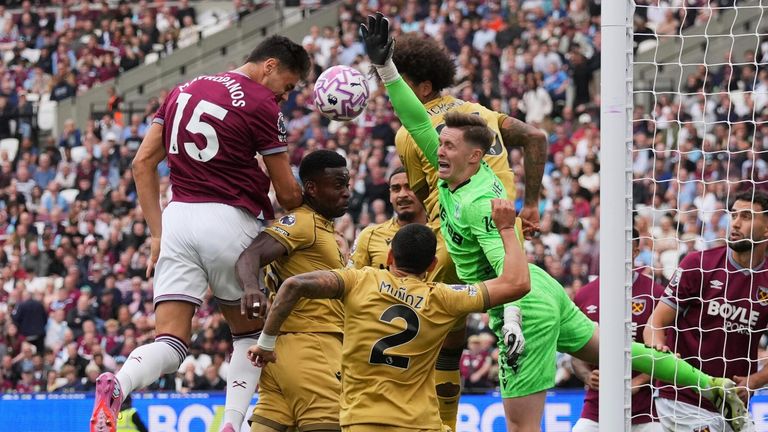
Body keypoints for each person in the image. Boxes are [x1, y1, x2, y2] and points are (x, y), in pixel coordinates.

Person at [362, 13, 747, 432]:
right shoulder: (459, 170)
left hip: (523, 302)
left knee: (522, 428)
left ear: (474, 156)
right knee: (623, 353)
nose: (437, 150)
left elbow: (512, 275)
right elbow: (417, 120)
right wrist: (386, 68)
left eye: (448, 146)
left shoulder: (479, 205)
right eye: (441, 144)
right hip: (546, 290)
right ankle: (713, 385)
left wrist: (512, 322)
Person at [89, 35, 311, 432]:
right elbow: (289, 194)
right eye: (288, 87)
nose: (284, 98)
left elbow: (142, 164)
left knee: (171, 343)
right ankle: (232, 424)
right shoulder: (260, 103)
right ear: (270, 66)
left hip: (177, 218)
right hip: (230, 220)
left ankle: (119, 384)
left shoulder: (181, 90)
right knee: (249, 335)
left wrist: (156, 235)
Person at [248, 199, 531, 432]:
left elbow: (294, 285)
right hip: (419, 423)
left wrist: (266, 343)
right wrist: (507, 229)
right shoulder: (444, 297)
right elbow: (517, 284)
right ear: (432, 265)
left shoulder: (359, 281)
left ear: (391, 258)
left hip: (361, 421)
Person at [234, 150, 350, 431]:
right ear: (312, 188)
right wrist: (251, 287)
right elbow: (250, 255)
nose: (346, 193)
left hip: (276, 351)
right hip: (313, 347)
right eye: (338, 185)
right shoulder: (303, 222)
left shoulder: (320, 228)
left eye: (347, 184)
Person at [645, 189, 768, 432]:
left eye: (746, 216)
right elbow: (656, 323)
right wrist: (658, 347)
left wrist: (753, 382)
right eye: (733, 215)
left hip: (732, 404)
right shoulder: (698, 264)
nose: (735, 223)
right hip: (682, 398)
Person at [571, 229, 665, 431]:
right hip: (598, 406)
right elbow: (576, 354)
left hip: (646, 408)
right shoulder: (585, 295)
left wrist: (638, 381)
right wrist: (588, 377)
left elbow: (665, 351)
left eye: (625, 247)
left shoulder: (655, 293)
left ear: (635, 252)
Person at [348, 167, 457, 283]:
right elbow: (353, 282)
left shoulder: (447, 233)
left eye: (409, 187)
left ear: (424, 192)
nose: (402, 194)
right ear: (390, 196)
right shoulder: (369, 235)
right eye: (396, 189)